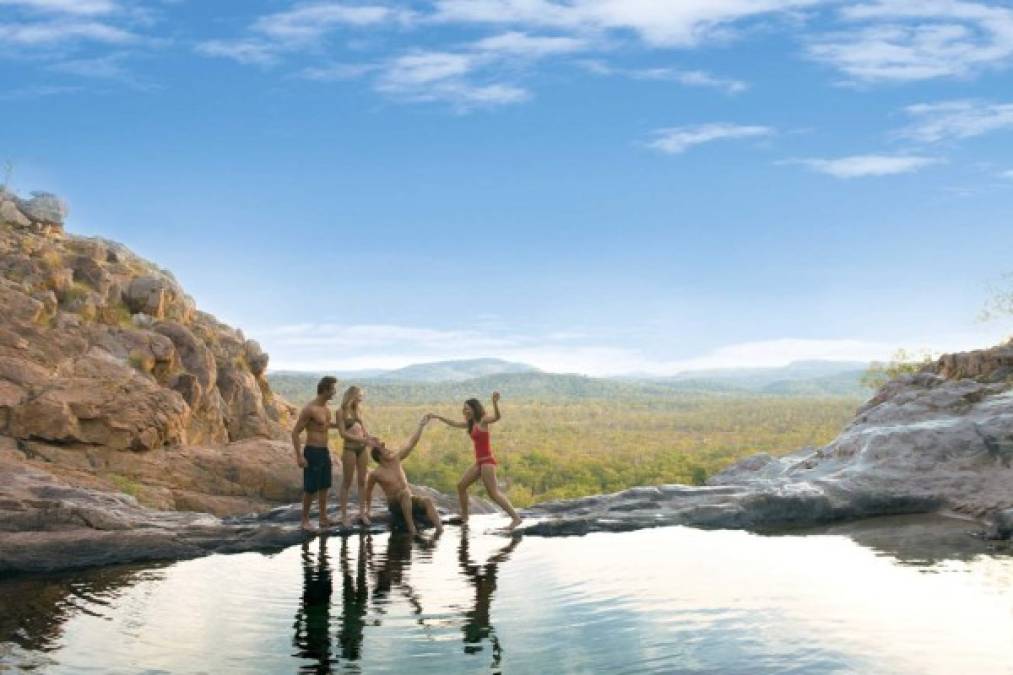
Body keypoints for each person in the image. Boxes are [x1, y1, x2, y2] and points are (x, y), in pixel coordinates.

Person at [431, 392, 522, 529]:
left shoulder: (483, 421)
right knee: (461, 486)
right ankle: (465, 517)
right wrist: (438, 417)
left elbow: (497, 417)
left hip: (487, 462)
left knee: (493, 493)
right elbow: (454, 423)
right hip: (479, 462)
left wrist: (495, 403)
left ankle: (516, 519)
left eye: (468, 408)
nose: (465, 410)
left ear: (475, 408)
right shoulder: (470, 423)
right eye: (464, 408)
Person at [362, 415, 444, 535]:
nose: (387, 449)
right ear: (379, 456)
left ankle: (440, 530)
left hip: (408, 499)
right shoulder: (376, 473)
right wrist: (367, 511)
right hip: (395, 504)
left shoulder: (396, 459)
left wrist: (421, 425)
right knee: (404, 493)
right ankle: (412, 529)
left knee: (427, 500)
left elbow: (411, 443)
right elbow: (368, 492)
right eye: (384, 449)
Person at [292, 375, 338, 531]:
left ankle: (323, 518)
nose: (334, 392)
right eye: (333, 389)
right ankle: (304, 521)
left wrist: (342, 425)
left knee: (324, 485)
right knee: (310, 488)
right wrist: (299, 456)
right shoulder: (309, 409)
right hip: (312, 451)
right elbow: (295, 432)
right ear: (325, 390)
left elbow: (325, 425)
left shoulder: (326, 409)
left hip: (324, 451)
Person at [334, 386, 372, 527]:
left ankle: (362, 513)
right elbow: (342, 434)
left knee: (363, 481)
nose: (361, 398)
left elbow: (363, 430)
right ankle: (344, 517)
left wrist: (369, 438)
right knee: (347, 482)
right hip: (349, 448)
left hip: (362, 449)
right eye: (360, 395)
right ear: (352, 395)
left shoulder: (358, 410)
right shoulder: (340, 412)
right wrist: (361, 440)